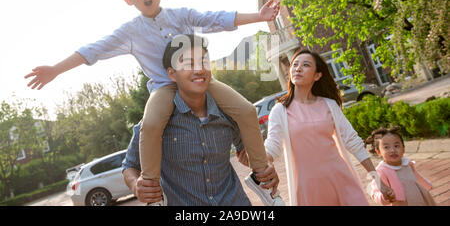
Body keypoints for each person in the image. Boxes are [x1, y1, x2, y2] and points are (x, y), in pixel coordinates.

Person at [24, 0, 280, 205]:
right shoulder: (130, 31)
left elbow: (215, 19)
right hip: (164, 87)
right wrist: (56, 69)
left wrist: (259, 16)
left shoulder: (181, 15)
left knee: (246, 109)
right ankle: (153, 191)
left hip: (200, 79)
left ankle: (261, 174)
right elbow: (95, 49)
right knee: (151, 124)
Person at [122, 34, 283, 205]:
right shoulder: (156, 123)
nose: (198, 69)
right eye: (188, 64)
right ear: (172, 73)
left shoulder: (230, 113)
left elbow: (244, 153)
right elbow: (130, 166)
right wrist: (135, 185)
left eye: (203, 62)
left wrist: (264, 169)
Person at [238, 49, 395, 205]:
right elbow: (273, 146)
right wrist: (257, 158)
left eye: (305, 65)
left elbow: (352, 141)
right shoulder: (280, 111)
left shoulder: (329, 105)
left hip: (341, 179)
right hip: (308, 188)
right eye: (295, 65)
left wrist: (379, 181)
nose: (298, 68)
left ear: (317, 75)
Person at [365, 126, 437, 206]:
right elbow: (375, 192)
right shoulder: (381, 171)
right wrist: (383, 197)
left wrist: (427, 185)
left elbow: (416, 177)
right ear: (378, 152)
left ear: (403, 148)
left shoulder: (406, 163)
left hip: (418, 198)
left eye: (396, 146)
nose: (393, 150)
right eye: (386, 147)